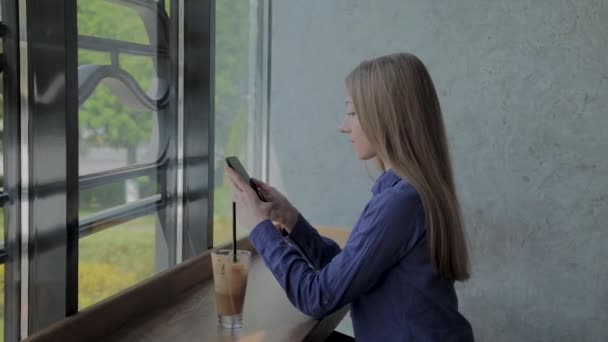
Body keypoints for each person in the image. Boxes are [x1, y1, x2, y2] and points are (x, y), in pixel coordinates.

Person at [225, 52, 474, 341]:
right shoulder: (406, 191)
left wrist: (259, 228)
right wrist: (290, 219)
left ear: (386, 117)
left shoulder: (400, 202)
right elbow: (348, 272)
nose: (344, 126)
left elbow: (316, 297)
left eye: (352, 113)